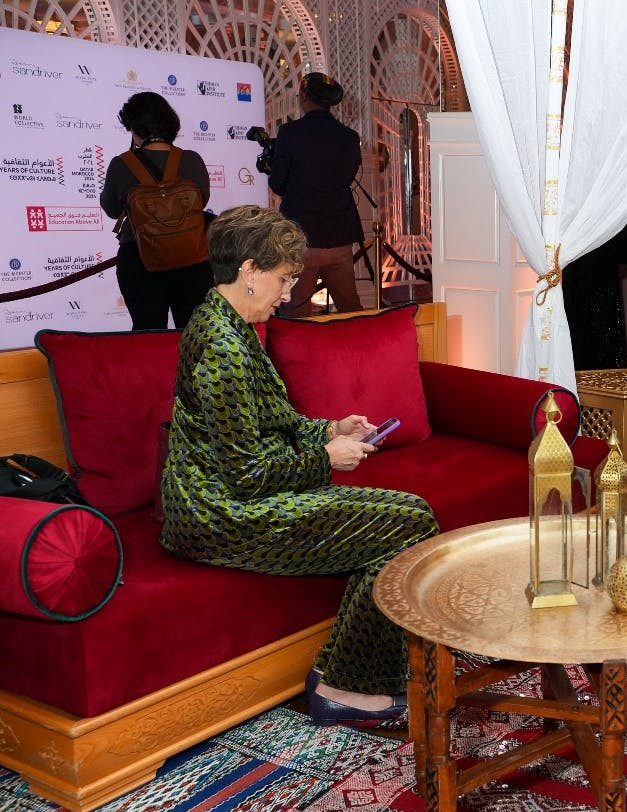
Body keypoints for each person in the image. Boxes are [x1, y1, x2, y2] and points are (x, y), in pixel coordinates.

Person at [160, 205, 438, 727]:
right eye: (284, 279)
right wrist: (324, 458)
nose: (289, 293)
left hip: (240, 499)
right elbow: (246, 475)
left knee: (409, 519)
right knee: (411, 522)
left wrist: (332, 429)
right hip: (221, 516)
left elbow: (272, 426)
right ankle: (345, 686)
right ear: (248, 271)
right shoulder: (222, 344)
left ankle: (342, 676)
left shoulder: (232, 326)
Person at [99, 92, 214, 330]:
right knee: (195, 335)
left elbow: (111, 209)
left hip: (140, 261)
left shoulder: (121, 164)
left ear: (135, 128)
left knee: (148, 336)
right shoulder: (192, 160)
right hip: (192, 260)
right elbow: (200, 203)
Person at [268, 72, 365, 317]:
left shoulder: (290, 133)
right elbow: (347, 177)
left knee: (296, 312)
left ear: (303, 97)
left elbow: (278, 184)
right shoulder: (349, 137)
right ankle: (360, 352)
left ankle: (301, 356)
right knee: (349, 309)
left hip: (302, 238)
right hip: (340, 237)